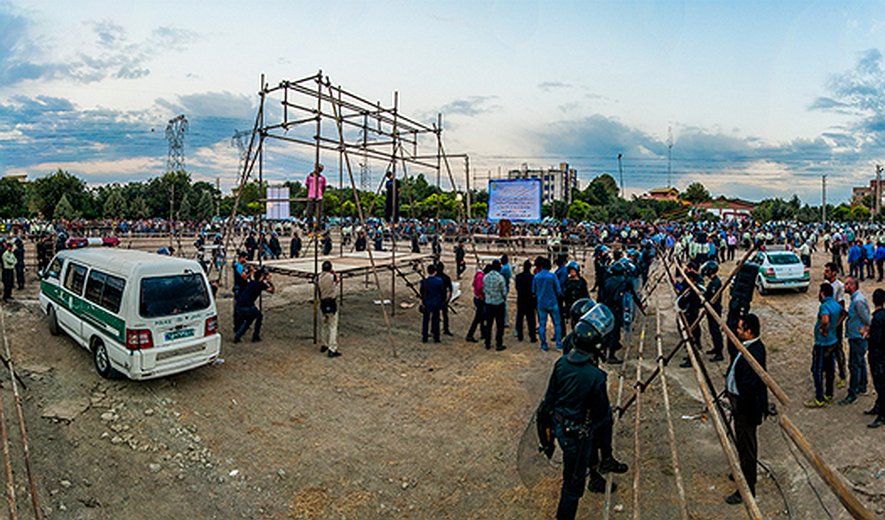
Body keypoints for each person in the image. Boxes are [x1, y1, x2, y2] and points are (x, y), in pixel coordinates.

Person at [539, 303, 627, 520]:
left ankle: (596, 473)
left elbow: (549, 399)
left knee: (573, 475)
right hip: (578, 434)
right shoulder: (596, 377)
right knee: (573, 486)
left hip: (561, 426)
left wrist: (547, 436)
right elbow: (601, 414)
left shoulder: (561, 364)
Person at [723, 313, 769, 505]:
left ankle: (747, 490)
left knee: (747, 448)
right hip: (741, 407)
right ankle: (742, 473)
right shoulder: (747, 346)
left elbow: (749, 388)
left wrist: (739, 406)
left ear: (749, 332)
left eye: (741, 329)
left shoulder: (754, 353)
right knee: (742, 445)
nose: (737, 331)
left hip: (746, 410)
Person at [806, 283, 842, 408]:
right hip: (833, 341)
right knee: (830, 368)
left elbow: (825, 319)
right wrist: (835, 326)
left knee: (817, 370)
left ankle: (819, 398)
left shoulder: (824, 306)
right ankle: (829, 394)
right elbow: (843, 314)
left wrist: (824, 328)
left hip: (822, 343)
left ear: (822, 293)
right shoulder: (836, 304)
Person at [840, 277, 870, 405]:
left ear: (853, 286)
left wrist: (865, 330)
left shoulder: (858, 301)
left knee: (854, 365)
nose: (845, 286)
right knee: (860, 362)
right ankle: (862, 385)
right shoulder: (855, 300)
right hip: (856, 336)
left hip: (858, 337)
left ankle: (853, 393)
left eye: (847, 284)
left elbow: (867, 319)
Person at [823, 262, 848, 389]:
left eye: (827, 271)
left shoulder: (839, 286)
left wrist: (835, 325)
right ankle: (827, 372)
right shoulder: (826, 284)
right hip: (826, 322)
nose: (825, 273)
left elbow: (842, 311)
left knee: (838, 350)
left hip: (835, 325)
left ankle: (843, 375)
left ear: (834, 273)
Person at [234, 269, 275, 343]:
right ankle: (255, 336)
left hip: (239, 305)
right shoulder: (261, 284)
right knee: (259, 316)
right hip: (247, 306)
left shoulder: (251, 282)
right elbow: (272, 291)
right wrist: (270, 282)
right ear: (262, 276)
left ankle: (238, 336)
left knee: (249, 320)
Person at [533, 256, 563, 351]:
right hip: (552, 302)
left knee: (542, 325)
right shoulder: (552, 276)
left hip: (541, 303)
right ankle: (558, 344)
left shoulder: (536, 277)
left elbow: (533, 291)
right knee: (557, 324)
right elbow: (558, 290)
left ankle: (544, 344)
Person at [866, 288, 885, 428]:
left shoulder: (878, 318)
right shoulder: (882, 315)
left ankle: (882, 415)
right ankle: (878, 407)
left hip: (878, 355)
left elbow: (876, 340)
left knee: (880, 384)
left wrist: (866, 335)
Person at [702, 261, 725, 362]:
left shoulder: (716, 283)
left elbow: (712, 297)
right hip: (711, 309)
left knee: (715, 331)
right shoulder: (713, 282)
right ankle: (716, 348)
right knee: (712, 330)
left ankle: (719, 352)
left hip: (714, 309)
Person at [317, 261, 341, 358]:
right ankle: (332, 348)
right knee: (333, 326)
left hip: (323, 301)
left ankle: (324, 344)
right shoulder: (332, 277)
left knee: (324, 325)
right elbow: (338, 279)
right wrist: (334, 273)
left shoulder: (319, 277)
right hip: (331, 302)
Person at [482, 260, 507, 351]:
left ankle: (487, 342)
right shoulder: (500, 278)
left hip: (488, 303)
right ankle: (498, 343)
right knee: (499, 325)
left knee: (489, 324)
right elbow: (504, 292)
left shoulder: (486, 277)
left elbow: (484, 289)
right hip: (498, 303)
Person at [420, 264, 446, 344]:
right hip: (436, 302)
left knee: (425, 320)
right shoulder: (439, 281)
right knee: (436, 320)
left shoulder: (424, 281)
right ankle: (436, 337)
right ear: (435, 272)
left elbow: (421, 292)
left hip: (427, 302)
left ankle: (424, 337)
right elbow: (443, 292)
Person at [562, 262, 589, 330]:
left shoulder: (582, 281)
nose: (572, 272)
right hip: (570, 305)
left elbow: (586, 294)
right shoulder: (567, 281)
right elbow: (564, 294)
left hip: (580, 306)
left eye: (573, 271)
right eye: (570, 271)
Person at [515, 260, 537, 343]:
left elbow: (517, 287)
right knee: (531, 319)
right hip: (530, 300)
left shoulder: (518, 277)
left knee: (520, 318)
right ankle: (532, 336)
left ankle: (520, 335)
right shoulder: (532, 278)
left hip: (521, 299)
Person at [465, 265, 486, 343]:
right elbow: (480, 288)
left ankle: (483, 332)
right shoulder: (481, 277)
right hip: (480, 299)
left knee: (481, 317)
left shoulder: (479, 275)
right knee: (478, 317)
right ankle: (470, 335)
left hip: (478, 297)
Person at [305, 163, 326, 232]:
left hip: (319, 196)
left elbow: (324, 187)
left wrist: (320, 193)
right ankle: (310, 227)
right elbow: (307, 185)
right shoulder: (309, 176)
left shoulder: (322, 178)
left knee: (319, 214)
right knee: (309, 213)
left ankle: (318, 228)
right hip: (311, 196)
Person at [436, 263, 454, 336]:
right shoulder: (446, 277)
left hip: (437, 298)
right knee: (445, 315)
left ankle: (435, 329)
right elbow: (450, 290)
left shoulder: (435, 277)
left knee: (436, 315)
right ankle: (446, 329)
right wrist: (448, 298)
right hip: (443, 298)